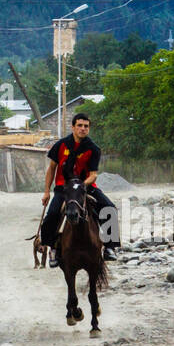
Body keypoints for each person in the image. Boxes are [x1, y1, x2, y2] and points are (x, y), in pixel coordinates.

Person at [40, 113, 118, 266]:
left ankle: (110, 247)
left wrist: (81, 186)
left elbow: (93, 175)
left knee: (110, 209)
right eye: (80, 125)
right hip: (63, 189)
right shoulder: (60, 145)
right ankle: (52, 247)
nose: (83, 129)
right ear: (73, 127)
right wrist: (47, 191)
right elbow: (51, 169)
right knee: (53, 214)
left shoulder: (93, 149)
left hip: (86, 187)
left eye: (86, 126)